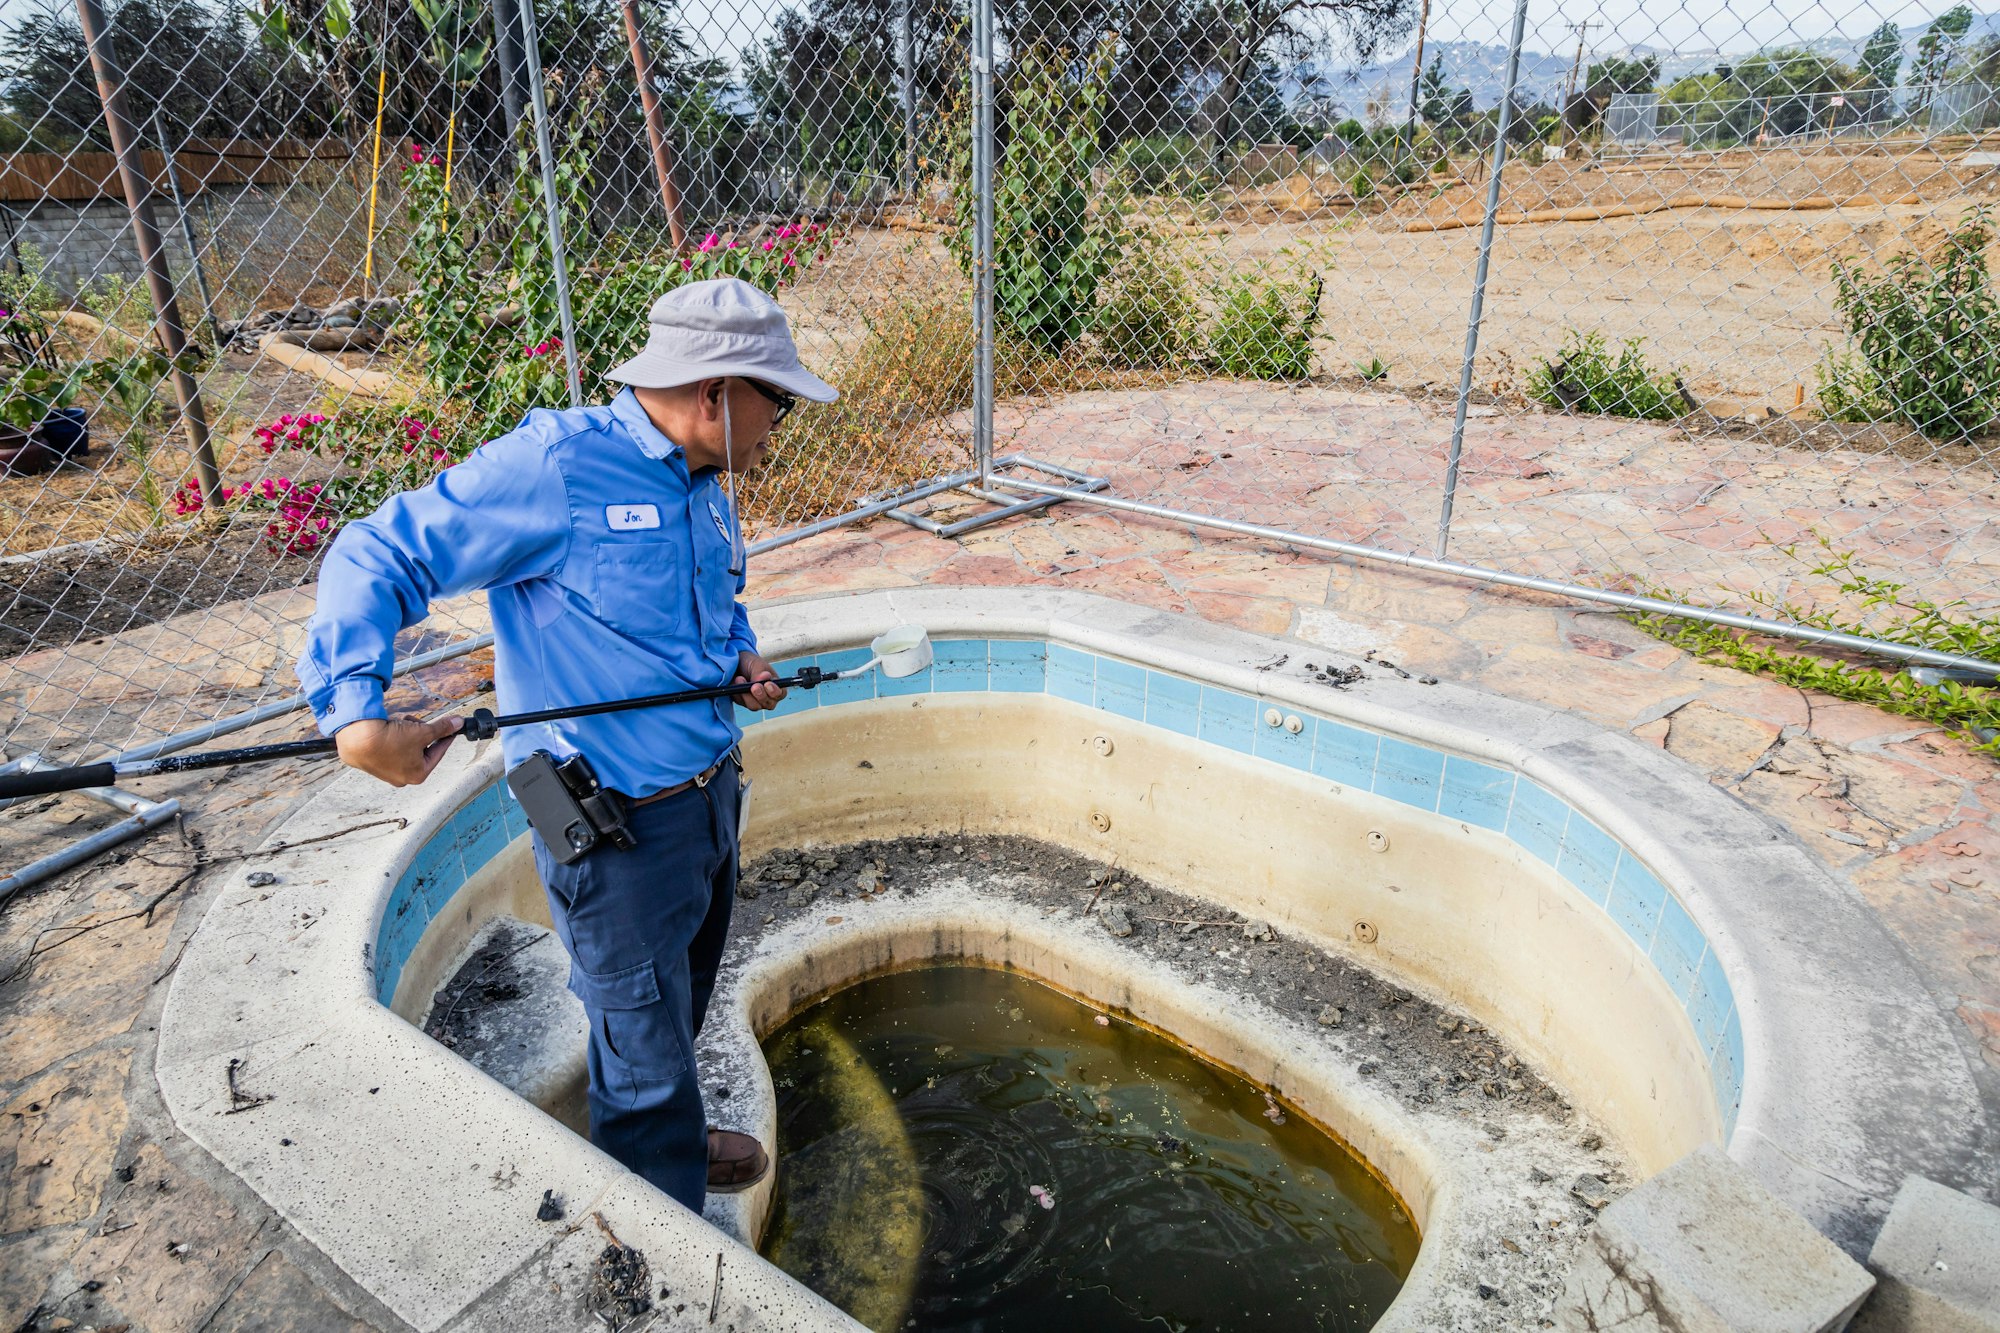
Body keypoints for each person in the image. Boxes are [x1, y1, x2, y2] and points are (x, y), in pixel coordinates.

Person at [295, 277, 837, 1212]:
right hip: (614, 827)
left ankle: (665, 1127)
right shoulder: (556, 469)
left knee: (679, 1001)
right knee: (637, 1045)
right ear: (716, 391)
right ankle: (655, 1235)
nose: (780, 422)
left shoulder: (710, 479)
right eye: (776, 400)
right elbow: (373, 554)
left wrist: (736, 653)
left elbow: (710, 600)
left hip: (708, 796)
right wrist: (355, 715)